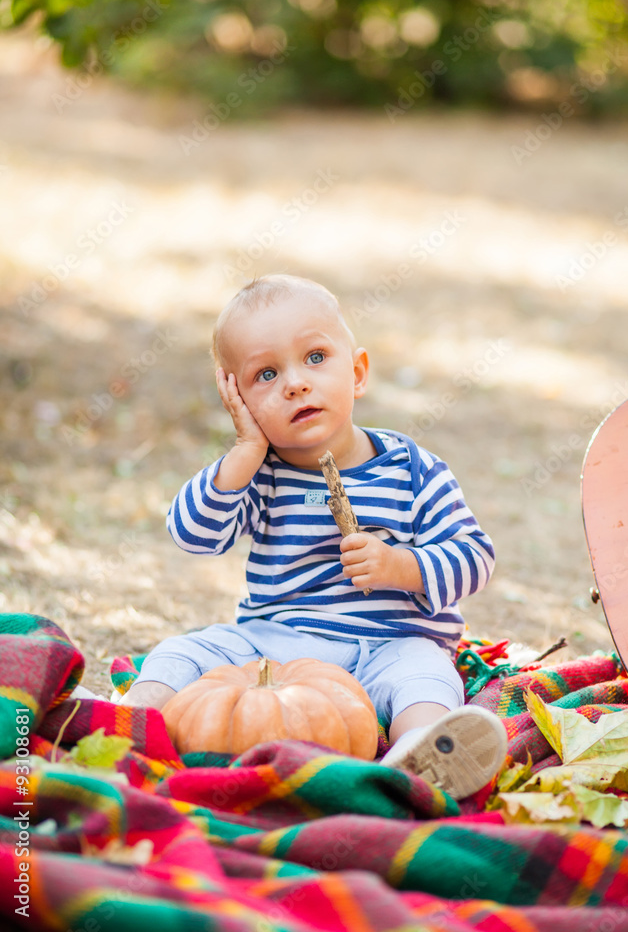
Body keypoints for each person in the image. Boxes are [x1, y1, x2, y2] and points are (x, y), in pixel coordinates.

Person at [121, 274, 507, 798]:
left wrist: (402, 566)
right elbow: (193, 534)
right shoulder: (260, 474)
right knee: (183, 651)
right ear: (238, 401)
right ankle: (126, 727)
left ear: (358, 371)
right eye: (265, 374)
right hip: (276, 648)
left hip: (389, 645)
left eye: (316, 358)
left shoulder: (413, 469)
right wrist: (242, 453)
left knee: (426, 677)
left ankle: (416, 759)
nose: (295, 383)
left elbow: (474, 556)